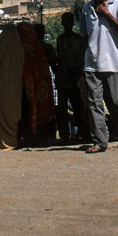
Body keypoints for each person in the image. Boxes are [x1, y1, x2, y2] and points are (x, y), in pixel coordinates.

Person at [81, 0, 118, 153]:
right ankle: (100, 141)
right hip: (92, 64)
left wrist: (107, 14)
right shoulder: (87, 8)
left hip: (113, 63)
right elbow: (84, 35)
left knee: (116, 102)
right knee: (94, 104)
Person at [53, 12, 86, 144]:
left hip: (74, 78)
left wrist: (75, 70)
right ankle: (64, 135)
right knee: (62, 110)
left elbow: (80, 58)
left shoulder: (78, 39)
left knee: (78, 108)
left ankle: (82, 133)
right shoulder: (60, 40)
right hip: (64, 79)